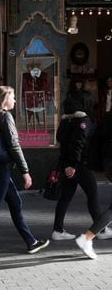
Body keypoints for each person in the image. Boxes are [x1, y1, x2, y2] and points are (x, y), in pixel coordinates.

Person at [0, 86, 49, 263]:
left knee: (15, 202)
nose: (14, 100)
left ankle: (31, 242)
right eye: (12, 97)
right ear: (4, 100)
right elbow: (14, 146)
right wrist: (25, 171)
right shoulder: (5, 117)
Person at [51, 95, 101, 241]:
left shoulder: (64, 122)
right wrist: (73, 165)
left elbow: (62, 143)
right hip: (81, 165)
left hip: (67, 165)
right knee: (93, 195)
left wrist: (67, 165)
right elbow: (78, 144)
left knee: (65, 197)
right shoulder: (82, 121)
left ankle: (57, 229)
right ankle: (101, 229)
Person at [75, 111, 112, 258]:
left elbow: (97, 138)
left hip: (108, 162)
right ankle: (87, 238)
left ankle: (87, 238)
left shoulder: (108, 116)